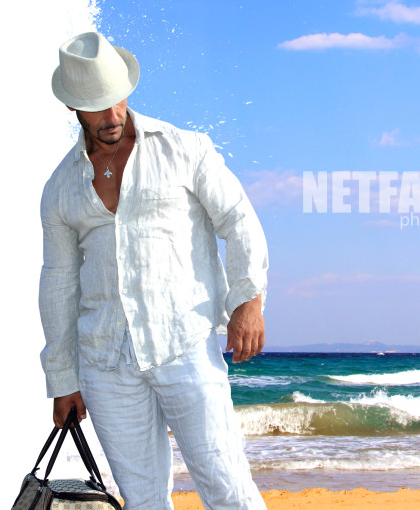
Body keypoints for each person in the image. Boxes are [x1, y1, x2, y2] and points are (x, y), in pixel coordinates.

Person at [38, 31, 268, 509]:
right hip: (105, 360)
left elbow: (239, 218)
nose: (112, 115)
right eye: (97, 106)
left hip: (184, 341)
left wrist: (248, 299)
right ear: (73, 108)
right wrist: (63, 378)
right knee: (142, 502)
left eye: (117, 99)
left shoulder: (185, 148)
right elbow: (59, 281)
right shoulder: (60, 188)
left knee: (227, 489)